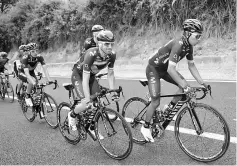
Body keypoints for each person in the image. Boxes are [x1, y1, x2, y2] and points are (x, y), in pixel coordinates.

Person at [141, 19, 209, 142]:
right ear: (188, 34)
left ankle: (169, 108)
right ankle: (145, 127)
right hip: (154, 69)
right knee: (156, 102)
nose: (199, 39)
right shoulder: (179, 44)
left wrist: (202, 82)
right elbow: (171, 69)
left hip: (165, 69)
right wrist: (187, 87)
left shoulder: (189, 46)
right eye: (197, 36)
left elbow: (191, 66)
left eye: (200, 36)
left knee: (184, 86)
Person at [68, 30, 118, 138]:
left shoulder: (112, 55)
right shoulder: (91, 54)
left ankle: (91, 127)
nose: (110, 47)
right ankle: (72, 115)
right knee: (87, 103)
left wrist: (112, 90)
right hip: (79, 76)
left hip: (91, 77)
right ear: (99, 44)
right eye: (106, 44)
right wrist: (87, 97)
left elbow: (110, 74)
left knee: (97, 102)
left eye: (111, 44)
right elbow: (84, 79)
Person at [18, 42, 52, 107]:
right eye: (33, 51)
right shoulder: (25, 58)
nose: (35, 52)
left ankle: (35, 104)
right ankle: (27, 96)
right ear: (29, 52)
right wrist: (33, 82)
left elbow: (45, 69)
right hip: (22, 72)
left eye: (36, 50)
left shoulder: (39, 57)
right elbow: (27, 74)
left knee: (38, 88)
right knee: (32, 81)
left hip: (31, 72)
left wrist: (49, 80)